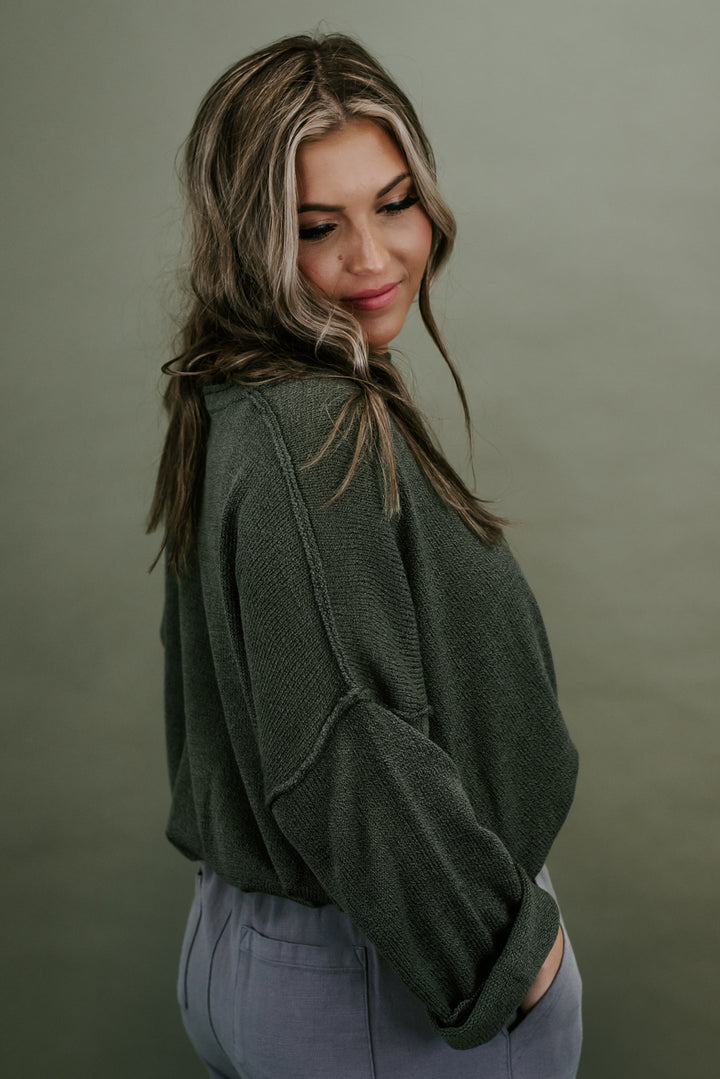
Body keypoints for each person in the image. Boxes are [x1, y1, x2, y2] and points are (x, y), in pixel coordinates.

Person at [147, 31, 583, 1079]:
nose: (373, 258)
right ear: (249, 239)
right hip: (381, 983)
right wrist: (510, 956)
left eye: (394, 204)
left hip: (266, 949)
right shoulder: (310, 425)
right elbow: (344, 742)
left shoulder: (237, 395)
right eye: (316, 227)